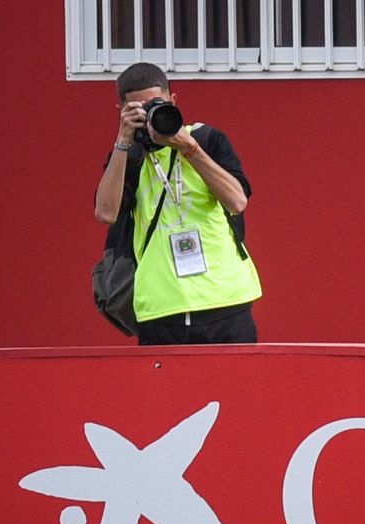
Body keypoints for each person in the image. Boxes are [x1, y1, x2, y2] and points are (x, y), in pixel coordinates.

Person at [92, 63, 262, 345]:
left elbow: (237, 200)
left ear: (173, 101)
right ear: (122, 111)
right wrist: (123, 141)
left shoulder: (206, 139)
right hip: (160, 308)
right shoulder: (130, 157)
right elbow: (106, 213)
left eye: (155, 105)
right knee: (167, 391)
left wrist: (187, 147)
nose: (149, 116)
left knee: (235, 389)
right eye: (138, 110)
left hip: (226, 301)